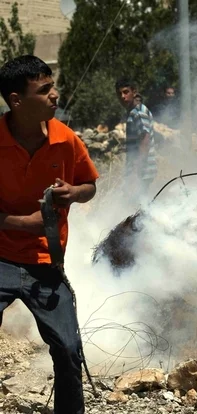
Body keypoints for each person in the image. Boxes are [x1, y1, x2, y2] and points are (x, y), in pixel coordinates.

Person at [0, 55, 99, 414]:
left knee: (69, 349)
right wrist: (23, 223)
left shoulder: (65, 139)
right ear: (16, 100)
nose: (54, 95)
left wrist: (74, 192)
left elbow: (89, 185)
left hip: (45, 262)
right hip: (1, 257)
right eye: (44, 90)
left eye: (52, 86)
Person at [115, 78, 157, 196]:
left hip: (141, 172)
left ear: (134, 92)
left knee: (138, 202)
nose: (122, 96)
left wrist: (135, 172)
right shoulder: (133, 112)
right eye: (119, 94)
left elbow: (145, 140)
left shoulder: (138, 112)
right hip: (139, 171)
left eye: (126, 92)